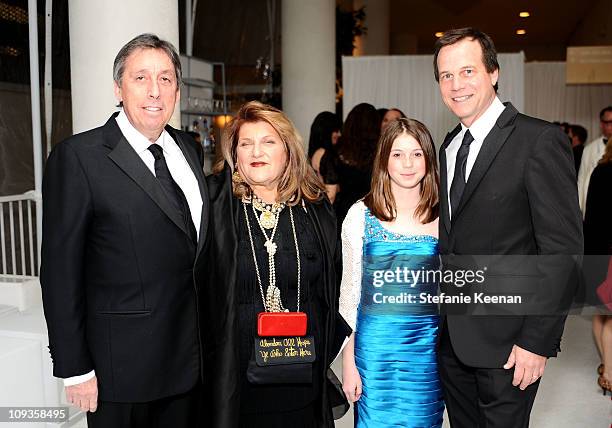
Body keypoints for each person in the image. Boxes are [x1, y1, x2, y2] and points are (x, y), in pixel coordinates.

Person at [40, 34, 207, 427]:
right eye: (141, 78)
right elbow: (60, 272)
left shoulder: (189, 148)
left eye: (166, 79)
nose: (155, 91)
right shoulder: (78, 158)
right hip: (119, 371)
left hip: (188, 362)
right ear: (118, 87)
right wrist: (75, 367)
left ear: (178, 91)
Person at [433, 28, 583, 427]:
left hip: (510, 344)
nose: (456, 84)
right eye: (446, 75)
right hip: (451, 340)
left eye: (467, 71)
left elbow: (563, 253)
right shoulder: (448, 146)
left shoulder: (539, 141)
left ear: (493, 72)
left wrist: (537, 341)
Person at [202, 101, 352, 427]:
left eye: (268, 141)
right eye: (246, 143)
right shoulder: (215, 210)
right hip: (237, 377)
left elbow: (334, 287)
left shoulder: (314, 211)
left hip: (302, 374)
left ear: (287, 151)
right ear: (235, 156)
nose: (257, 151)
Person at [339, 118, 444, 427]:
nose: (408, 163)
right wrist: (348, 361)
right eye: (398, 154)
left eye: (416, 154)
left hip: (427, 351)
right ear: (384, 159)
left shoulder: (445, 216)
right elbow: (349, 294)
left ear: (428, 159)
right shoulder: (360, 214)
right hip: (375, 351)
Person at [320, 102, 380, 228]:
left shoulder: (334, 153)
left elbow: (330, 195)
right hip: (375, 212)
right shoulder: (382, 154)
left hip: (345, 214)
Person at [583, 141, 612, 396]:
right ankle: (609, 372)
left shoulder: (600, 172)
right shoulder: (601, 172)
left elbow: (590, 217)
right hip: (605, 253)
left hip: (599, 251)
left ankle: (607, 368)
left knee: (603, 312)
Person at [577, 106, 612, 217]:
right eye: (609, 122)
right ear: (601, 124)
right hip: (595, 209)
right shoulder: (590, 149)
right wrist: (579, 210)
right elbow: (582, 180)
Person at [307, 111, 342, 202]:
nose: (339, 134)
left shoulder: (314, 153)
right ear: (326, 131)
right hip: (331, 211)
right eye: (336, 131)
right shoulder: (326, 155)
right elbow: (331, 195)